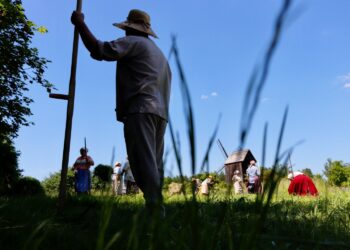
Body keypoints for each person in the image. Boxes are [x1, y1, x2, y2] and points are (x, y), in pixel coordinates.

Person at [71, 9, 171, 214]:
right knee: (154, 163)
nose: (125, 32)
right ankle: (156, 205)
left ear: (131, 28)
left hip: (141, 109)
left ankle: (155, 209)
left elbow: (100, 50)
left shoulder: (134, 42)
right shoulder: (159, 54)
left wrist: (80, 24)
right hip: (160, 113)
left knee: (142, 161)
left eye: (127, 28)